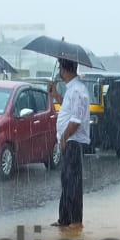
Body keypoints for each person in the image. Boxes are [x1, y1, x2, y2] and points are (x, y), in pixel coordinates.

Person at [48, 59, 91, 230]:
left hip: (73, 141)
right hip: (68, 140)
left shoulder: (78, 90)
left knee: (73, 181)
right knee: (66, 180)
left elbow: (76, 120)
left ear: (65, 70)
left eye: (60, 67)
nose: (59, 70)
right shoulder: (71, 90)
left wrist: (65, 137)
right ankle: (64, 219)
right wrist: (56, 95)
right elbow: (68, 110)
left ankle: (76, 221)